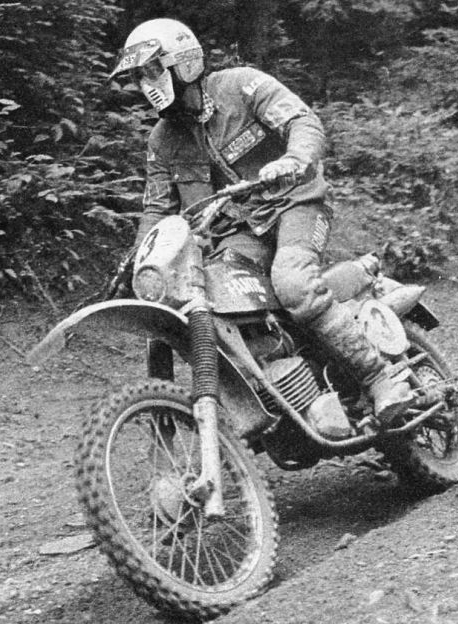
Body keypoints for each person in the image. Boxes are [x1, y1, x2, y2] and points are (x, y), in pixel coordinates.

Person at [110, 17, 414, 428]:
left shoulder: (241, 86)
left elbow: (302, 121)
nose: (147, 85)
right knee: (217, 302)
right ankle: (288, 398)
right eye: (138, 78)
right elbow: (157, 210)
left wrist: (294, 158)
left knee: (292, 282)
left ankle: (379, 378)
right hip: (237, 231)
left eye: (152, 70)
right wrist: (137, 263)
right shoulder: (162, 140)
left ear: (183, 62)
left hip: (295, 203)